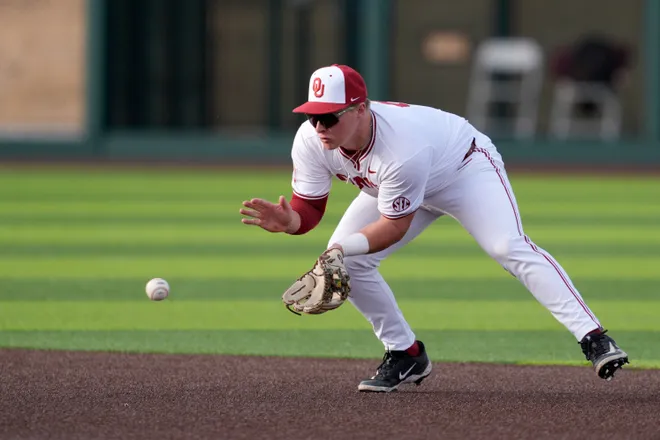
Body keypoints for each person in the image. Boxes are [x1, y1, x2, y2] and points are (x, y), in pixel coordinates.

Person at [239, 64, 629, 392]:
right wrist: (291, 222)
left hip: (463, 169)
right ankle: (406, 354)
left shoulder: (401, 148)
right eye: (312, 115)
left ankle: (594, 338)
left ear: (360, 109)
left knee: (505, 246)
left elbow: (393, 226)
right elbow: (309, 208)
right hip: (395, 185)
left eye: (329, 116)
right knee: (347, 264)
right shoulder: (311, 140)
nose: (319, 125)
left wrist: (340, 249)